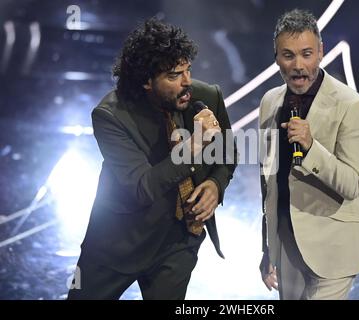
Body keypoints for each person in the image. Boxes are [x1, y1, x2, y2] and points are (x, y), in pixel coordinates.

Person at [68, 17, 237, 300]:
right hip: (117, 242)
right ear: (146, 81)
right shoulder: (110, 116)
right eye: (173, 75)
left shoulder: (208, 96)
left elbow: (228, 151)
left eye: (188, 70)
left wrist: (215, 186)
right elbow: (141, 188)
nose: (187, 83)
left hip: (178, 242)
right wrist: (193, 146)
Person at [258, 9, 359, 300]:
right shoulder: (270, 102)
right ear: (276, 57)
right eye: (288, 55)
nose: (298, 65)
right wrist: (268, 249)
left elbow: (352, 185)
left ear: (321, 53)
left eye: (306, 54)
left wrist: (311, 147)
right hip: (287, 245)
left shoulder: (351, 106)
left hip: (334, 247)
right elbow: (268, 182)